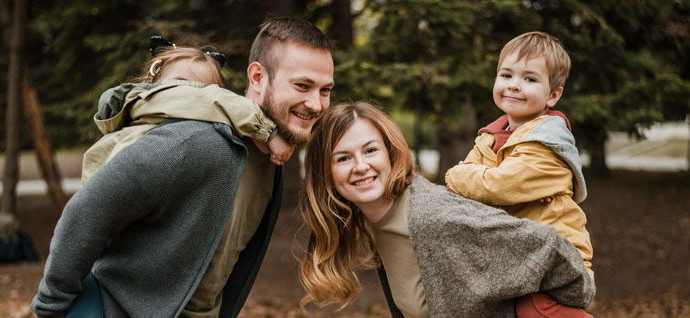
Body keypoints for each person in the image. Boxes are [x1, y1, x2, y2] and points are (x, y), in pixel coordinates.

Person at [32, 16, 334, 318]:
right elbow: (86, 212)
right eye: (302, 85)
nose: (317, 104)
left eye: (325, 90)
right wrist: (51, 308)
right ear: (256, 77)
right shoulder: (197, 142)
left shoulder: (272, 164)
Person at [299, 101, 595, 318]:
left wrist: (547, 305)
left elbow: (550, 247)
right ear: (325, 172)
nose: (361, 166)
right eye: (343, 158)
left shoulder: (433, 216)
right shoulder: (369, 222)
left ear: (390, 153)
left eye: (370, 150)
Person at [444, 31, 593, 317]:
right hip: (517, 256)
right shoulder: (490, 138)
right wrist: (465, 178)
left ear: (553, 95)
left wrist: (456, 174)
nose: (514, 86)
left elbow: (495, 186)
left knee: (533, 309)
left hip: (558, 260)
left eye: (530, 79)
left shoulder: (548, 145)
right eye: (506, 75)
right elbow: (463, 193)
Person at [79, 36, 293, 186]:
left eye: (205, 89)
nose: (192, 95)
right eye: (181, 83)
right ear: (152, 83)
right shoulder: (147, 104)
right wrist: (268, 132)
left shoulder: (205, 134)